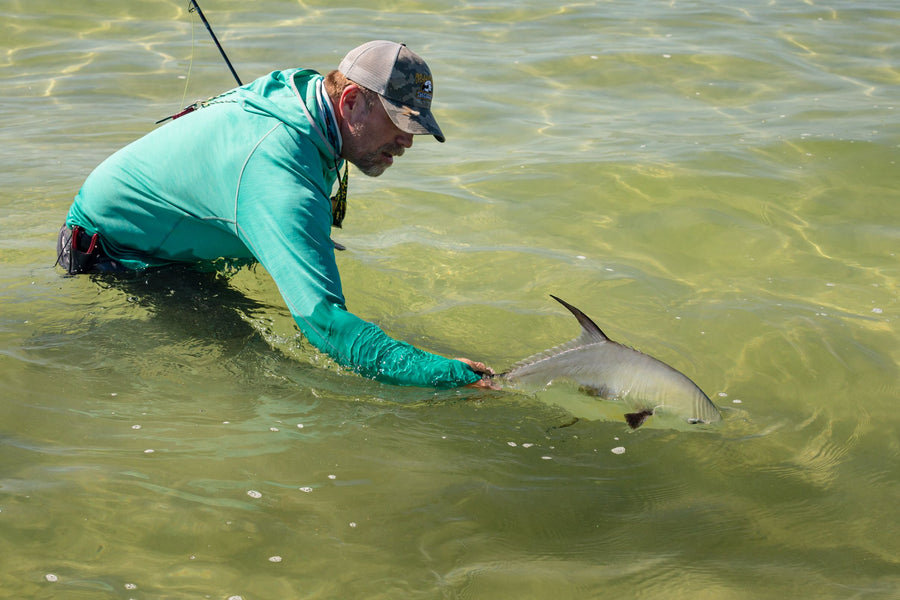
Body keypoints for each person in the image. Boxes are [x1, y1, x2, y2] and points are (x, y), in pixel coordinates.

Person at [57, 40, 495, 389]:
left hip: (159, 236)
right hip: (114, 254)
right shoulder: (279, 178)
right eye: (400, 123)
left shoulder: (301, 94)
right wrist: (441, 373)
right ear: (351, 102)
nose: (408, 141)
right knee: (254, 365)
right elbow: (324, 325)